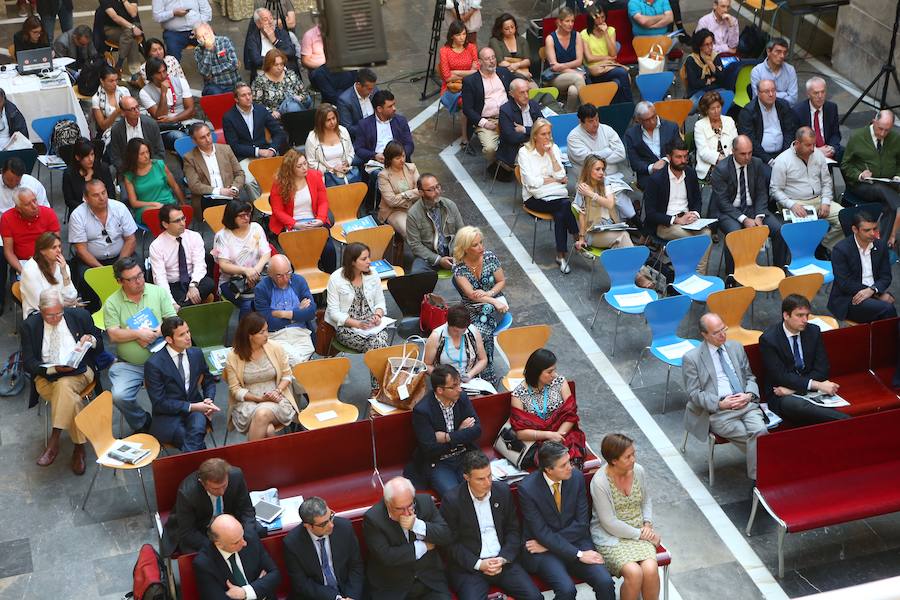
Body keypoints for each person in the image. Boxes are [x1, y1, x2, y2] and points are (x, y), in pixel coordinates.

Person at [439, 450, 543, 600]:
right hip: (470, 568)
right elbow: (450, 544)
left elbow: (513, 530)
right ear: (466, 477)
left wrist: (503, 558)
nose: (488, 483)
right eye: (480, 479)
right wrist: (479, 564)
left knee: (535, 597)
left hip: (503, 562)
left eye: (489, 476)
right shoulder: (452, 501)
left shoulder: (502, 491)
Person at [518, 442, 616, 600]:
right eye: (563, 465)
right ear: (549, 470)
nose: (570, 467)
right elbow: (541, 532)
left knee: (605, 582)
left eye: (569, 461)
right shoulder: (527, 489)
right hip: (545, 554)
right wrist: (578, 554)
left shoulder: (576, 477)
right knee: (567, 590)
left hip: (564, 543)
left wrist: (547, 544)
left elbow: (582, 524)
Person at [22, 289, 102, 474]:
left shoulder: (79, 316)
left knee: (65, 385)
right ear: (41, 310)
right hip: (48, 377)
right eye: (50, 315)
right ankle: (79, 447)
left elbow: (100, 345)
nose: (56, 318)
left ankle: (54, 440)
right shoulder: (30, 326)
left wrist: (90, 340)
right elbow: (28, 363)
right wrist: (53, 369)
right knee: (67, 394)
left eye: (59, 313)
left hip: (80, 372)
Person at [682, 312, 767, 480]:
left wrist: (749, 395)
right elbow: (694, 393)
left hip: (746, 405)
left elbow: (749, 376)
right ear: (704, 335)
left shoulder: (735, 347)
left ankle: (759, 479)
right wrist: (720, 404)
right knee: (761, 440)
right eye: (716, 332)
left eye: (724, 329)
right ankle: (761, 479)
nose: (722, 335)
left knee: (760, 431)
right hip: (719, 412)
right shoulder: (691, 358)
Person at [105, 256, 177, 433]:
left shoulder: (158, 292)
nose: (139, 281)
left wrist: (155, 332)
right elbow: (113, 335)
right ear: (119, 281)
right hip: (130, 364)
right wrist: (137, 333)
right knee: (120, 396)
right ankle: (142, 422)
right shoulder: (112, 303)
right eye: (132, 279)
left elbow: (172, 320)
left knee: (183, 384)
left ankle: (175, 422)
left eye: (140, 275)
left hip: (162, 359)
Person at [759, 294, 851, 425]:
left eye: (807, 315)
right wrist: (816, 385)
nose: (805, 320)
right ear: (786, 315)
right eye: (799, 315)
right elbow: (781, 376)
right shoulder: (769, 339)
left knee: (809, 411)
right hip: (781, 393)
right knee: (797, 406)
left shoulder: (813, 331)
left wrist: (795, 389)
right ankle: (848, 422)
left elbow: (823, 369)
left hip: (792, 389)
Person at [590, 433, 661, 600]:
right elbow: (609, 523)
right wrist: (642, 534)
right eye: (628, 457)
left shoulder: (639, 471)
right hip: (611, 536)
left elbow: (646, 501)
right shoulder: (600, 482)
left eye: (633, 454)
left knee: (651, 569)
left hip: (640, 531)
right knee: (634, 573)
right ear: (614, 460)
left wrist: (648, 524)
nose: (633, 459)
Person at [363, 477, 452, 600]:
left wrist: (417, 525)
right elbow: (387, 556)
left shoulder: (425, 502)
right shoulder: (373, 519)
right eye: (400, 509)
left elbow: (445, 535)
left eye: (410, 505)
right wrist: (423, 546)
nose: (406, 513)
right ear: (388, 503)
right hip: (393, 586)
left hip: (429, 581)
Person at [711, 135, 785, 275]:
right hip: (730, 212)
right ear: (733, 151)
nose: (747, 157)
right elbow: (722, 202)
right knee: (734, 234)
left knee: (779, 230)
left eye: (750, 153)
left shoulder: (756, 164)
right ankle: (732, 276)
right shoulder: (721, 169)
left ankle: (779, 270)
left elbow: (762, 193)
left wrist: (759, 215)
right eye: (743, 154)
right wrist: (744, 219)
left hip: (754, 209)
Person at [144, 316, 218, 452]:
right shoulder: (154, 364)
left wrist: (209, 399)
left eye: (188, 332)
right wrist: (192, 406)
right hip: (168, 416)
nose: (188, 337)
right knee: (192, 441)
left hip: (197, 409)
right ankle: (204, 466)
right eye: (182, 335)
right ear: (169, 340)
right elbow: (159, 403)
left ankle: (198, 468)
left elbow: (209, 381)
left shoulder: (196, 353)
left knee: (195, 432)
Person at [574, 156, 654, 281]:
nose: (601, 172)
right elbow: (581, 214)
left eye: (603, 169)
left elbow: (610, 204)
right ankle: (641, 271)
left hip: (610, 227)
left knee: (620, 242)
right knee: (623, 236)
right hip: (593, 233)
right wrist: (581, 238)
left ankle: (635, 275)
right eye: (598, 169)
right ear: (589, 170)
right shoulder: (582, 188)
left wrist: (591, 194)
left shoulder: (606, 183)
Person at [160, 458, 261, 557]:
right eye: (215, 488)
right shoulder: (187, 493)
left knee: (255, 533)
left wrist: (246, 535)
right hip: (201, 527)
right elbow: (188, 533)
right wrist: (220, 547)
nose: (221, 492)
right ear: (202, 483)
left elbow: (246, 510)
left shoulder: (236, 476)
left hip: (229, 522)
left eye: (224, 486)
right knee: (196, 554)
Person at [225, 311, 300, 440]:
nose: (267, 335)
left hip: (277, 398)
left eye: (266, 330)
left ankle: (251, 458)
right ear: (250, 336)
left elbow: (287, 375)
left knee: (262, 414)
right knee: (268, 430)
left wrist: (278, 391)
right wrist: (259, 399)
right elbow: (235, 390)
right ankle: (269, 458)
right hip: (247, 402)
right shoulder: (233, 356)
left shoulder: (276, 347)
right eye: (262, 332)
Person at [409, 364, 482, 496]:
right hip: (438, 462)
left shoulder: (462, 398)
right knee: (454, 497)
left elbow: (477, 430)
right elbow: (430, 449)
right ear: (440, 390)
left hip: (464, 454)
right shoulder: (422, 411)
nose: (459, 389)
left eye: (459, 384)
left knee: (480, 487)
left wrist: (447, 437)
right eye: (453, 387)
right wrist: (460, 434)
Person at [643, 138, 713, 274]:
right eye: (678, 157)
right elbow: (650, 214)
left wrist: (695, 214)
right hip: (665, 224)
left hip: (688, 220)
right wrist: (675, 220)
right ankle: (689, 274)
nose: (683, 161)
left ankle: (699, 274)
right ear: (669, 157)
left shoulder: (690, 174)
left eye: (685, 156)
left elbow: (698, 200)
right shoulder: (656, 180)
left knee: (707, 235)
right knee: (695, 240)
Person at [517, 119, 579, 272]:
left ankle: (561, 256)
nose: (547, 137)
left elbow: (562, 174)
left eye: (549, 134)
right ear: (535, 136)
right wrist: (553, 180)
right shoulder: (524, 152)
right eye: (543, 134)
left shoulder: (555, 148)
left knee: (560, 213)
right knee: (565, 205)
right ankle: (577, 236)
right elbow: (531, 183)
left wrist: (551, 155)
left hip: (556, 196)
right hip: (534, 198)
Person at [68, 180, 139, 311]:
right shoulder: (77, 216)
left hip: (121, 256)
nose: (102, 198)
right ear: (86, 198)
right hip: (92, 261)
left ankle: (133, 308)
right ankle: (93, 313)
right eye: (96, 195)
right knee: (85, 278)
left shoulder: (119, 208)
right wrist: (103, 270)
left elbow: (131, 240)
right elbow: (81, 250)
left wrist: (119, 265)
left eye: (103, 193)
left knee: (136, 272)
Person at [510, 348, 587, 466]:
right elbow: (520, 432)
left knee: (569, 461)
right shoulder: (518, 395)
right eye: (549, 372)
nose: (554, 375)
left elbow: (570, 415)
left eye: (554, 370)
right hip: (536, 441)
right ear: (536, 372)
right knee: (552, 463)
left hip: (563, 434)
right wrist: (548, 436)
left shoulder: (559, 382)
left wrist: (558, 437)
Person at [770, 127, 841, 251]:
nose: (812, 149)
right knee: (807, 228)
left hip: (819, 200)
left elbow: (826, 181)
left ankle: (823, 245)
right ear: (797, 143)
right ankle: (807, 253)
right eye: (808, 145)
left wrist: (825, 201)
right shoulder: (782, 160)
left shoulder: (818, 155)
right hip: (796, 203)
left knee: (845, 218)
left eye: (814, 144)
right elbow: (775, 190)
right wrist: (791, 205)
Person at [283, 497, 365, 600]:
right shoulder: (292, 543)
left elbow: (356, 565)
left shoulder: (345, 527)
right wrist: (336, 598)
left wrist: (351, 596)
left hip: (347, 590)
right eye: (323, 524)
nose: (331, 525)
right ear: (308, 526)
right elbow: (301, 583)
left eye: (331, 517)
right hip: (317, 596)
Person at [269, 149, 337, 273]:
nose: (304, 168)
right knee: (298, 253)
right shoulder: (279, 183)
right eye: (299, 166)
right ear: (290, 169)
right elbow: (278, 211)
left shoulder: (315, 175)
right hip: (292, 223)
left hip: (315, 220)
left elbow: (323, 201)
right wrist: (295, 224)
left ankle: (330, 278)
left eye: (305, 163)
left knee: (329, 250)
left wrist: (320, 220)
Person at [452, 226, 507, 380]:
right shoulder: (459, 268)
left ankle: (467, 356)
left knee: (486, 315)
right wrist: (491, 300)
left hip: (495, 302)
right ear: (465, 248)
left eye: (481, 242)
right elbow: (471, 295)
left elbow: (501, 281)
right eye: (475, 245)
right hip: (472, 307)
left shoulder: (490, 257)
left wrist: (490, 295)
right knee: (486, 333)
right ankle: (486, 372)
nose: (481, 247)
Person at [841, 110, 900, 246]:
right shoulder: (857, 137)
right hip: (862, 185)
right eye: (880, 129)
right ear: (874, 122)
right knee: (881, 189)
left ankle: (880, 246)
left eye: (887, 130)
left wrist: (897, 175)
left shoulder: (895, 138)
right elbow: (845, 165)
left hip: (889, 184)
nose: (883, 133)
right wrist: (860, 175)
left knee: (889, 206)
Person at [568, 103, 635, 221]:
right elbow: (588, 161)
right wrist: (607, 151)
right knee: (616, 197)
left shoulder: (607, 130)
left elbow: (621, 153)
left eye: (597, 119)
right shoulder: (573, 137)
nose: (596, 124)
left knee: (616, 194)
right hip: (589, 181)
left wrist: (598, 159)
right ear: (581, 122)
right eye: (590, 121)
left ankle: (627, 222)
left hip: (613, 177)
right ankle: (633, 221)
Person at [827, 211, 897, 322]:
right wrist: (875, 294)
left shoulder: (880, 246)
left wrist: (872, 290)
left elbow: (886, 277)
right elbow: (845, 284)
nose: (872, 233)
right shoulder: (840, 250)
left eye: (874, 229)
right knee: (887, 309)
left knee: (886, 310)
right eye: (867, 230)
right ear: (855, 230)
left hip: (872, 291)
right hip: (849, 298)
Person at [193, 514, 281, 600]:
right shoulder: (204, 564)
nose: (244, 543)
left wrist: (245, 593)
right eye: (236, 542)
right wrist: (260, 586)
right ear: (219, 544)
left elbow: (274, 574)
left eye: (242, 536)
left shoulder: (250, 537)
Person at [222, 82, 289, 196]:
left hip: (266, 154)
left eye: (249, 94)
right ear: (236, 99)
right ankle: (260, 212)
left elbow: (279, 133)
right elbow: (233, 145)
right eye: (243, 95)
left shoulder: (261, 110)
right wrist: (258, 151)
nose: (248, 98)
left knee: (282, 176)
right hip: (244, 157)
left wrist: (272, 150)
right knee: (249, 182)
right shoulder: (229, 117)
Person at [325, 242, 391, 356]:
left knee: (376, 343)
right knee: (378, 345)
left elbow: (380, 301)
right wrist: (358, 324)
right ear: (352, 262)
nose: (369, 261)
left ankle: (380, 372)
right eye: (364, 259)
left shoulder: (373, 274)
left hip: (373, 326)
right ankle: (385, 372)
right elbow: (333, 313)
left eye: (369, 257)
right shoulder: (335, 279)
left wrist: (378, 315)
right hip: (347, 327)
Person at [253, 254, 317, 366]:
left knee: (294, 362)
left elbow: (311, 312)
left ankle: (287, 380)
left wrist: (283, 314)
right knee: (299, 363)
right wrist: (297, 312)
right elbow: (268, 322)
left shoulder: (299, 281)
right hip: (276, 336)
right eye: (279, 276)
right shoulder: (262, 289)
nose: (286, 278)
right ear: (270, 274)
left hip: (300, 332)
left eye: (288, 273)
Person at [212, 199, 271, 317]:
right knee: (249, 305)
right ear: (232, 217)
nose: (246, 218)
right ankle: (245, 334)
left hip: (258, 276)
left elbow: (266, 253)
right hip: (232, 282)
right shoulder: (221, 236)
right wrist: (245, 271)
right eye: (242, 216)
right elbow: (223, 265)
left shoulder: (256, 228)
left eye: (248, 214)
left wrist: (255, 272)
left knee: (271, 296)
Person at [148, 205, 214, 307]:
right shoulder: (156, 246)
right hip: (173, 284)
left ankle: (181, 307)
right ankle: (180, 305)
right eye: (177, 221)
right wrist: (171, 302)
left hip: (192, 280)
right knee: (169, 295)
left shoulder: (194, 237)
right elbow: (160, 278)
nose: (183, 223)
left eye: (183, 218)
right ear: (165, 224)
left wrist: (193, 286)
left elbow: (199, 264)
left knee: (209, 283)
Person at [182, 122, 247, 216]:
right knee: (230, 210)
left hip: (230, 194)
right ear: (194, 141)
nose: (208, 140)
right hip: (208, 197)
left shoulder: (226, 149)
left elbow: (239, 173)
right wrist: (220, 191)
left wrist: (234, 188)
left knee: (242, 209)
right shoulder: (189, 158)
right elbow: (194, 186)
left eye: (208, 135)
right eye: (202, 137)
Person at [407, 173, 464, 273]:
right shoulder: (413, 214)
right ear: (421, 193)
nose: (437, 191)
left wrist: (456, 254)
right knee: (417, 273)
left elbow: (462, 232)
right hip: (429, 255)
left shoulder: (449, 205)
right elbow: (415, 245)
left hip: (453, 250)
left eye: (438, 186)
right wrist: (438, 260)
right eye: (431, 189)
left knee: (479, 258)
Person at [139, 57, 200, 150]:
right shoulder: (145, 92)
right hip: (166, 129)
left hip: (186, 122)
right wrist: (163, 94)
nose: (163, 75)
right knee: (180, 138)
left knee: (202, 133)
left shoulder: (180, 82)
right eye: (158, 73)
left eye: (164, 71)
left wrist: (173, 119)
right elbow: (160, 116)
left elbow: (191, 110)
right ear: (151, 75)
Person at [122, 138, 184, 226]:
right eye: (142, 154)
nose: (146, 156)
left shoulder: (159, 165)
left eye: (147, 152)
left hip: (167, 203)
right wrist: (153, 204)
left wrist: (183, 204)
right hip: (146, 208)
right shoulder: (129, 176)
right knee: (157, 215)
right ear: (134, 156)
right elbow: (134, 202)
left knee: (169, 213)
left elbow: (174, 186)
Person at [1, 188, 61, 278]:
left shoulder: (49, 213)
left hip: (47, 261)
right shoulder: (7, 218)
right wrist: (22, 271)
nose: (34, 206)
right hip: (22, 263)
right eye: (27, 204)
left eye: (34, 200)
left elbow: (56, 246)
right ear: (18, 208)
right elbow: (8, 251)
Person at [737, 79, 796, 169]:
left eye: (773, 90)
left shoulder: (783, 105)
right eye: (766, 91)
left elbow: (790, 131)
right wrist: (769, 160)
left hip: (784, 153)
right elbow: (750, 140)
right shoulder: (748, 112)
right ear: (758, 93)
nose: (771, 94)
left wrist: (784, 155)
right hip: (761, 158)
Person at [354, 90, 415, 174]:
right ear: (379, 109)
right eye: (390, 106)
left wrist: (399, 156)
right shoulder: (364, 124)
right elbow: (358, 149)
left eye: (394, 104)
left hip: (399, 160)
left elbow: (409, 144)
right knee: (379, 175)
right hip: (377, 163)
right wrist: (374, 155)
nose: (394, 108)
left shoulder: (401, 121)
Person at [423, 303, 488, 381]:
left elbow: (483, 359)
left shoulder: (473, 331)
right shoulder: (436, 336)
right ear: (448, 324)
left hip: (468, 379)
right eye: (455, 331)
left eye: (463, 331)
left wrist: (470, 375)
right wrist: (446, 378)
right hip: (445, 381)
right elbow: (426, 365)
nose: (459, 334)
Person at [624, 101, 681, 189]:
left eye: (654, 117)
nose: (652, 121)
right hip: (648, 176)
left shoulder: (671, 127)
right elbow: (635, 162)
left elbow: (679, 150)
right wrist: (651, 168)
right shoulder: (631, 134)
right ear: (638, 120)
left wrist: (665, 160)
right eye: (647, 120)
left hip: (672, 168)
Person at [581, 5, 632, 102]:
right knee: (622, 72)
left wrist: (606, 34)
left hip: (609, 68)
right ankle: (630, 106)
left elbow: (613, 54)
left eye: (603, 17)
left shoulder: (611, 30)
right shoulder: (584, 34)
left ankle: (621, 110)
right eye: (597, 17)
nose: (600, 20)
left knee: (618, 83)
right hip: (594, 71)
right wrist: (607, 58)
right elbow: (589, 58)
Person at [300, 20, 358, 106]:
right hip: (319, 70)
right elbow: (305, 61)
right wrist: (322, 65)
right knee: (323, 78)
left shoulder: (337, 33)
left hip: (337, 65)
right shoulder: (309, 35)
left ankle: (347, 96)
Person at [20, 233, 78, 317]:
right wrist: (66, 303)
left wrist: (64, 273)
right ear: (42, 251)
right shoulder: (30, 270)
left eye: (59, 246)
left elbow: (71, 296)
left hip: (62, 311)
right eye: (54, 247)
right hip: (38, 314)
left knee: (83, 317)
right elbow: (41, 304)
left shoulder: (62, 266)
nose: (59, 250)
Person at [440, 20, 480, 143]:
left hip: (470, 85)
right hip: (451, 89)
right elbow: (447, 77)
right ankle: (464, 137)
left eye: (463, 34)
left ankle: (479, 126)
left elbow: (477, 71)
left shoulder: (471, 48)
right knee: (466, 101)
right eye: (458, 35)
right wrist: (469, 73)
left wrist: (456, 73)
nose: (462, 37)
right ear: (452, 36)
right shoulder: (444, 51)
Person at [107, 96, 166, 174]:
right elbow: (115, 157)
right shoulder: (117, 129)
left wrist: (149, 167)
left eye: (137, 107)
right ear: (123, 112)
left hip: (151, 168)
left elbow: (160, 152)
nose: (137, 111)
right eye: (132, 109)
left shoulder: (151, 124)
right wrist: (128, 171)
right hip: (128, 170)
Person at [305, 103, 359, 187]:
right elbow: (311, 162)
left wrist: (347, 163)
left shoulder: (343, 131)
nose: (332, 122)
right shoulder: (312, 138)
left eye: (334, 118)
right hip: (324, 177)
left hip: (345, 173)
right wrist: (331, 170)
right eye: (328, 120)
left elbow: (350, 151)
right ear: (321, 121)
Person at [543, 7, 586, 112]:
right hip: (556, 77)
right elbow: (554, 67)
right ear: (559, 22)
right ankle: (589, 111)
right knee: (579, 79)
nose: (570, 24)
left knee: (573, 91)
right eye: (567, 21)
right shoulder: (550, 38)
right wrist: (572, 71)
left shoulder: (577, 36)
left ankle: (567, 115)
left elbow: (579, 61)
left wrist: (562, 66)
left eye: (572, 21)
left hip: (574, 73)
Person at [792, 76, 842, 161]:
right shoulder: (798, 111)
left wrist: (831, 148)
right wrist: (816, 151)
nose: (820, 96)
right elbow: (796, 141)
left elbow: (835, 134)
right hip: (808, 153)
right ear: (808, 94)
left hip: (828, 150)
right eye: (816, 93)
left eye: (823, 92)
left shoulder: (831, 107)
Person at [252, 48, 313, 118]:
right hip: (277, 112)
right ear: (268, 65)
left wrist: (300, 97)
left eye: (281, 64)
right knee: (293, 107)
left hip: (296, 103)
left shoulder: (290, 74)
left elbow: (304, 93)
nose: (279, 67)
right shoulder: (260, 81)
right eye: (276, 65)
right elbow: (256, 104)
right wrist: (270, 111)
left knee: (307, 99)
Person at [376, 141, 420, 239]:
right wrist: (411, 193)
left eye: (403, 156)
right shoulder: (383, 175)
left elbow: (421, 190)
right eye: (397, 158)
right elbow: (391, 201)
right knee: (410, 232)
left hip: (413, 206)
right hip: (393, 211)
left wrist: (403, 195)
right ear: (390, 159)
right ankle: (423, 253)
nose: (402, 160)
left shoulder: (411, 168)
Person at [65, 140, 117, 219]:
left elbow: (111, 192)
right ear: (77, 157)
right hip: (81, 212)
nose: (91, 159)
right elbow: (69, 200)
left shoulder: (103, 168)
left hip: (104, 209)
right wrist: (89, 208)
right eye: (86, 156)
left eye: (92, 154)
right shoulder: (69, 174)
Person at [497, 78, 543, 168]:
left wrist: (525, 129)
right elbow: (512, 138)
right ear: (512, 94)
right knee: (535, 164)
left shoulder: (533, 105)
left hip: (536, 144)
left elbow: (544, 127)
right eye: (522, 92)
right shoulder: (505, 110)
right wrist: (536, 133)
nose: (526, 96)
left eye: (527, 91)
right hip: (516, 149)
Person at [244, 7, 298, 81]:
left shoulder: (281, 32)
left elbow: (291, 52)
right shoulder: (253, 39)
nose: (270, 22)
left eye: (271, 18)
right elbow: (256, 61)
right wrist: (278, 60)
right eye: (265, 20)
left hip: (286, 75)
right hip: (263, 77)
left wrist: (274, 40)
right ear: (258, 24)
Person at [694, 90, 738, 181]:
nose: (716, 111)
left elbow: (736, 144)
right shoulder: (699, 125)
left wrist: (729, 161)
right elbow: (703, 152)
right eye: (712, 108)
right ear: (706, 110)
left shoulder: (729, 121)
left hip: (731, 163)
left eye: (718, 107)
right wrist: (722, 161)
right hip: (710, 167)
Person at [99, 0, 144, 78]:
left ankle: (119, 64)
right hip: (112, 28)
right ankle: (135, 72)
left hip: (129, 30)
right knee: (131, 38)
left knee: (131, 39)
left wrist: (124, 1)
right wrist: (132, 27)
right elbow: (114, 17)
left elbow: (133, 13)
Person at [192, 22, 240, 96]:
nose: (205, 38)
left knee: (244, 93)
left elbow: (233, 63)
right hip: (215, 85)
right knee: (214, 94)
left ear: (211, 30)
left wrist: (213, 71)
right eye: (200, 36)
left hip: (233, 82)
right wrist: (208, 50)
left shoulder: (224, 41)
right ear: (197, 39)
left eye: (206, 34)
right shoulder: (198, 50)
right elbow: (205, 73)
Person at [91, 67, 131, 150]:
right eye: (111, 81)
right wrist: (116, 112)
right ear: (102, 81)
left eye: (116, 80)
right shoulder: (96, 99)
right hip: (110, 129)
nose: (115, 84)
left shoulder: (124, 91)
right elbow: (102, 125)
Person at [750, 38, 797, 105]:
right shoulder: (757, 71)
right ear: (768, 51)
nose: (782, 56)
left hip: (784, 111)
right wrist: (784, 95)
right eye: (778, 52)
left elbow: (793, 99)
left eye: (784, 52)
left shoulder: (790, 70)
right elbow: (760, 98)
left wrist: (769, 95)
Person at [488, 13, 533, 80]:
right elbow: (501, 62)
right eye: (506, 29)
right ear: (501, 29)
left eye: (512, 27)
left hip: (524, 72)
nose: (510, 31)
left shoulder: (521, 40)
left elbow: (527, 61)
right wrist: (520, 71)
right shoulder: (495, 41)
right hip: (504, 74)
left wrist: (516, 64)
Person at [337, 68, 378, 139]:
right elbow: (348, 128)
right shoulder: (345, 101)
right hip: (361, 137)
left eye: (372, 88)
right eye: (369, 89)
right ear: (358, 85)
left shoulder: (373, 90)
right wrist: (369, 130)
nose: (372, 92)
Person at [684, 29, 725, 99]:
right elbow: (694, 83)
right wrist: (710, 80)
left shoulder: (715, 56)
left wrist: (710, 64)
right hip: (698, 92)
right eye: (706, 45)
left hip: (715, 90)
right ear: (700, 46)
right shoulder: (691, 60)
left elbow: (722, 78)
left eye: (711, 43)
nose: (710, 47)